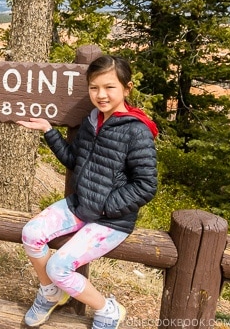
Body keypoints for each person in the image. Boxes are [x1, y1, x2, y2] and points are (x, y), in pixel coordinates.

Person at [16, 55, 158, 329]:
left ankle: (107, 310)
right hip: (80, 205)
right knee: (31, 234)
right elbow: (74, 160)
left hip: (110, 219)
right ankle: (50, 293)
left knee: (59, 267)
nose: (101, 95)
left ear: (127, 89)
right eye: (94, 88)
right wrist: (48, 131)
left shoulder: (136, 131)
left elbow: (146, 185)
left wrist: (106, 206)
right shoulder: (92, 120)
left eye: (109, 87)